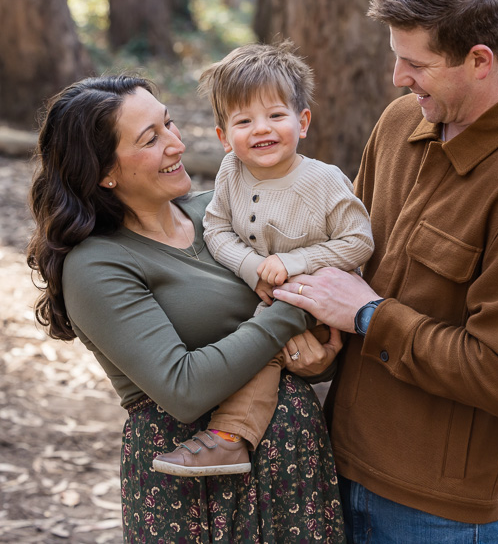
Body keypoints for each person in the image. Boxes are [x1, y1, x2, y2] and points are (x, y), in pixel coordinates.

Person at [273, 0, 498, 543]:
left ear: (478, 60)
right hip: (341, 462)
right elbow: (350, 257)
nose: (398, 78)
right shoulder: (399, 124)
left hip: (439, 514)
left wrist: (370, 315)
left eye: (415, 63)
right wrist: (321, 333)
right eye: (397, 59)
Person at [26, 75, 345, 542]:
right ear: (103, 172)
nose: (177, 143)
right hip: (193, 493)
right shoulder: (97, 264)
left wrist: (312, 361)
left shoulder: (218, 213)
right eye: (151, 138)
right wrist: (295, 308)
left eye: (169, 124)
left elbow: (280, 334)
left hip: (292, 468)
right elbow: (184, 386)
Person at [152, 41, 373, 477]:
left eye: (275, 115)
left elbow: (358, 242)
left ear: (302, 121)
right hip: (264, 293)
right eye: (244, 120)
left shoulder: (323, 181)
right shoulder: (231, 172)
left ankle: (230, 439)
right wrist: (253, 269)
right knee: (248, 337)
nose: (261, 129)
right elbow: (216, 229)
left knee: (264, 350)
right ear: (223, 137)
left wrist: (295, 264)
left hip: (315, 293)